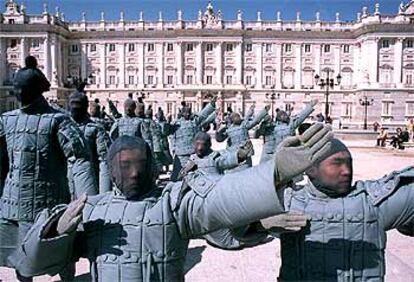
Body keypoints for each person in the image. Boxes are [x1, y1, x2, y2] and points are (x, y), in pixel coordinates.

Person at [11, 123, 334, 281]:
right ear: (109, 169)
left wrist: (273, 172)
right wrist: (54, 232)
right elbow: (32, 265)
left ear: (153, 165)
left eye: (140, 164)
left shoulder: (174, 202)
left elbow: (217, 200)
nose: (134, 174)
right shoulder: (91, 209)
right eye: (125, 166)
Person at [0, 56, 97, 281]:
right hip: (14, 202)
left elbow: (79, 158)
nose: (16, 92)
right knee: (20, 255)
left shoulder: (58, 120)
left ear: (33, 90)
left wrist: (88, 202)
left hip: (51, 201)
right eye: (15, 88)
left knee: (62, 250)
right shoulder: (7, 120)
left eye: (20, 88)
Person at [265, 138, 414, 281]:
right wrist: (260, 223)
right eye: (337, 163)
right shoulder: (288, 202)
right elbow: (242, 225)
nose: (346, 171)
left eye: (349, 163)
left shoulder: (372, 202)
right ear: (310, 169)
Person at [68, 92, 112, 194]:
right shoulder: (62, 127)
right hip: (65, 182)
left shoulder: (96, 129)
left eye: (78, 104)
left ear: (85, 106)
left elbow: (104, 160)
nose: (75, 108)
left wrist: (104, 194)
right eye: (73, 104)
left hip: (88, 182)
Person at [168, 96, 217, 181]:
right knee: (177, 178)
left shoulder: (194, 122)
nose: (188, 114)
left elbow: (203, 114)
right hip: (180, 155)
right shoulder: (175, 124)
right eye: (186, 112)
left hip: (193, 154)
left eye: (189, 112)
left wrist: (211, 105)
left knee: (195, 176)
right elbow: (168, 133)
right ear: (182, 113)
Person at [177, 131, 253, 180]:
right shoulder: (193, 158)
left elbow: (226, 160)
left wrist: (239, 155)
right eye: (197, 144)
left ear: (209, 145)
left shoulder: (214, 157)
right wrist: (186, 170)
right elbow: (180, 177)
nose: (199, 148)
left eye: (203, 144)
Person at [216, 104, 269, 171]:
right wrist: (218, 131)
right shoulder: (228, 129)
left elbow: (255, 121)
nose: (238, 118)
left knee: (246, 172)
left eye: (238, 116)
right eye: (235, 117)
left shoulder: (244, 126)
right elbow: (219, 139)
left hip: (246, 153)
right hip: (233, 155)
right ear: (232, 119)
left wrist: (264, 111)